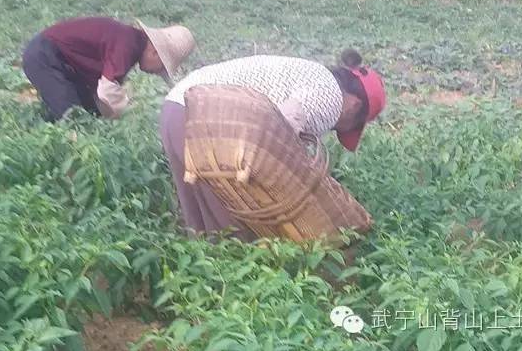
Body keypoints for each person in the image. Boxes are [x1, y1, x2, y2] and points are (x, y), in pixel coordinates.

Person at [159, 49, 386, 240]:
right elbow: (281, 133)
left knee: (199, 223)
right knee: (235, 230)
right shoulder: (332, 98)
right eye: (348, 127)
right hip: (207, 119)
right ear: (355, 106)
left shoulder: (314, 76)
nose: (337, 129)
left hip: (177, 108)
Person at [22, 16, 196, 121]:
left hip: (62, 64)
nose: (156, 73)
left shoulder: (130, 42)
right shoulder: (128, 44)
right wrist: (126, 117)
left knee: (89, 114)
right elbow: (107, 91)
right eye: (160, 68)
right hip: (46, 57)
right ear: (155, 53)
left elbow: (101, 92)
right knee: (72, 119)